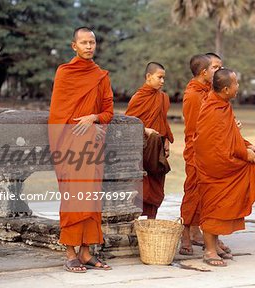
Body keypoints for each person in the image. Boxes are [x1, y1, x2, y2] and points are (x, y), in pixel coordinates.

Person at [48, 27, 113, 272]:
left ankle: (86, 253)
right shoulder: (64, 73)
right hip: (69, 144)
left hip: (92, 146)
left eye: (92, 42)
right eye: (84, 42)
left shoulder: (101, 76)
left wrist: (94, 118)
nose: (88, 46)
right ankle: (70, 252)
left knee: (92, 198)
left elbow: (108, 111)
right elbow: (57, 113)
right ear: (73, 46)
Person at [194, 68, 255, 266]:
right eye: (236, 84)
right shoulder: (213, 110)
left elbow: (229, 135)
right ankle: (209, 251)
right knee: (213, 206)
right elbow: (216, 145)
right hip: (214, 167)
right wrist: (244, 154)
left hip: (222, 162)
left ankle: (215, 244)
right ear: (226, 89)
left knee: (224, 203)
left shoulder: (222, 105)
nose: (238, 87)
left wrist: (246, 145)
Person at [125, 62, 174, 219]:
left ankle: (151, 224)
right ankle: (135, 222)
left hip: (158, 148)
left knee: (157, 184)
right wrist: (144, 130)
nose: (162, 81)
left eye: (163, 78)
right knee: (141, 185)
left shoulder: (163, 98)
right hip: (142, 149)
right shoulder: (138, 98)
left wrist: (166, 140)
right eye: (159, 77)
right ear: (148, 76)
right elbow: (129, 124)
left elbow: (163, 121)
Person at [179, 54, 215, 255]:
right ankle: (185, 233)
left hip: (209, 149)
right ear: (204, 72)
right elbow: (194, 128)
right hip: (196, 149)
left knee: (206, 193)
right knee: (192, 191)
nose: (214, 73)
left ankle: (205, 233)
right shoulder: (193, 95)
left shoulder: (208, 91)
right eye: (212, 69)